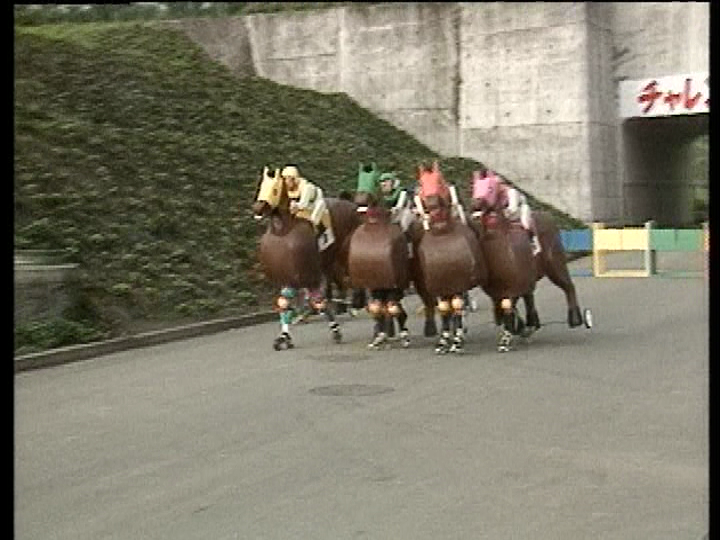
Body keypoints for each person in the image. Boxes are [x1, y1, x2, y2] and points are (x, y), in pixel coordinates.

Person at [480, 168, 541, 255]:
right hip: (507, 214)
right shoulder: (497, 196)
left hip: (520, 211)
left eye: (498, 185)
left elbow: (513, 208)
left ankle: (534, 243)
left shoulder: (512, 192)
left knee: (525, 223)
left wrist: (502, 213)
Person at [280, 164, 335, 250]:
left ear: (293, 179)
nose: (286, 183)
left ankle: (323, 236)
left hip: (315, 203)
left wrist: (295, 205)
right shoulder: (288, 188)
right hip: (303, 205)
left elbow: (303, 204)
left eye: (287, 179)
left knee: (316, 213)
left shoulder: (306, 188)